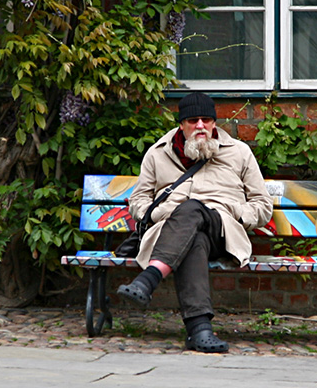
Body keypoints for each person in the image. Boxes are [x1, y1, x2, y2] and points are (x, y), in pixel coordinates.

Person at [116, 91, 272, 353]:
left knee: (193, 210)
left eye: (206, 120)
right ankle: (199, 331)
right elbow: (138, 201)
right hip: (172, 233)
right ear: (181, 124)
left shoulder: (239, 153)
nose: (200, 126)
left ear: (213, 123)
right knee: (193, 236)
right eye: (192, 121)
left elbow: (263, 205)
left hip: (222, 232)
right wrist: (159, 214)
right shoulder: (158, 154)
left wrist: (235, 213)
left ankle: (149, 279)